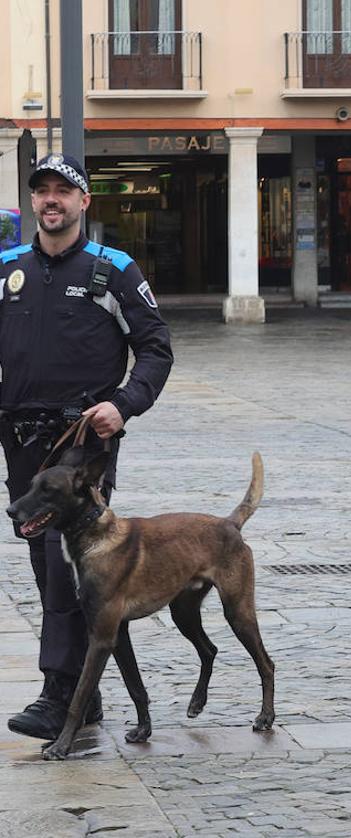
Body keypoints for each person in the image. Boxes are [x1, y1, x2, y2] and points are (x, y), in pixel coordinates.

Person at [1, 153, 173, 741]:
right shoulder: (7, 270)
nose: (51, 200)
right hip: (21, 441)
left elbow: (156, 349)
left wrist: (123, 405)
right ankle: (85, 693)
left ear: (83, 203)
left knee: (60, 564)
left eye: (63, 192)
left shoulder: (113, 270)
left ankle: (59, 697)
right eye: (42, 191)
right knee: (44, 560)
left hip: (81, 445)